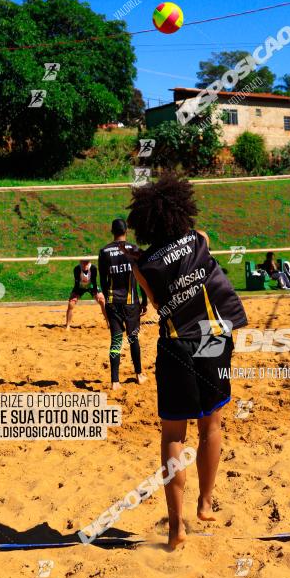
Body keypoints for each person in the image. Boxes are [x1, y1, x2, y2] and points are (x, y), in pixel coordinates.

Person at [121, 172, 248, 549]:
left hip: (176, 345)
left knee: (173, 436)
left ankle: (176, 528)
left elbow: (160, 305)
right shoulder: (200, 239)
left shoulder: (143, 265)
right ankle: (205, 502)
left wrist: (140, 260)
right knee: (212, 424)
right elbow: (196, 249)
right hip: (212, 337)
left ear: (145, 224)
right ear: (181, 211)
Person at [98, 218, 148, 391]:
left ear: (112, 231)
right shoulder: (133, 250)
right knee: (133, 338)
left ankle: (115, 381)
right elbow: (142, 279)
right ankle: (139, 374)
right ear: (126, 231)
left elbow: (103, 281)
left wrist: (107, 300)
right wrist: (145, 301)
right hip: (130, 302)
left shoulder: (104, 252)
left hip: (113, 302)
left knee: (116, 341)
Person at [65, 258, 106, 330]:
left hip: (91, 285)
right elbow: (77, 283)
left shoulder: (93, 268)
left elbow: (94, 281)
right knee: (71, 303)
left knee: (102, 300)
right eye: (83, 263)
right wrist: (75, 296)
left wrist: (96, 292)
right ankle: (68, 325)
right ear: (80, 262)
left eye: (86, 263)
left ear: (89, 262)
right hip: (80, 286)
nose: (85, 265)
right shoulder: (77, 269)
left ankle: (108, 322)